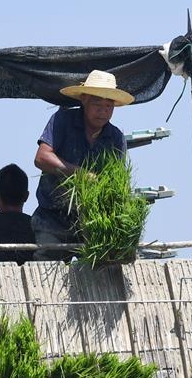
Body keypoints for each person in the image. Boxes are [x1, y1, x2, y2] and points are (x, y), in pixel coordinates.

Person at [32, 70, 134, 261]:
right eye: (97, 104)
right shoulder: (62, 121)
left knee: (104, 270)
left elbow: (117, 186)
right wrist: (81, 174)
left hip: (91, 222)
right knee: (46, 275)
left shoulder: (116, 138)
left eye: (108, 105)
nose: (103, 111)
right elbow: (42, 158)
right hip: (52, 220)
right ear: (84, 99)